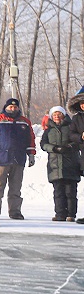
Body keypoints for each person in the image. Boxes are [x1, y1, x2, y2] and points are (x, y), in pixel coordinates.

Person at [0, 98, 36, 220]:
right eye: (10, 107)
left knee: (16, 188)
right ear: (6, 107)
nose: (13, 109)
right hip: (0, 160)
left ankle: (15, 211)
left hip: (18, 158)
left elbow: (30, 139)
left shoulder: (25, 122)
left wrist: (31, 154)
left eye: (15, 107)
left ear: (18, 108)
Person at [40, 106, 80, 222]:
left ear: (63, 115)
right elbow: (43, 144)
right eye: (54, 115)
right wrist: (54, 148)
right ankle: (60, 214)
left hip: (70, 164)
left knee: (70, 192)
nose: (57, 116)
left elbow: (77, 142)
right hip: (55, 165)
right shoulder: (48, 130)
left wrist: (69, 147)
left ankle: (71, 214)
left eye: (59, 114)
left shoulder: (71, 127)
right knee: (58, 192)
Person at [66, 87, 84, 223]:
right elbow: (71, 134)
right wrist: (81, 137)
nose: (83, 105)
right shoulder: (77, 118)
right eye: (81, 103)